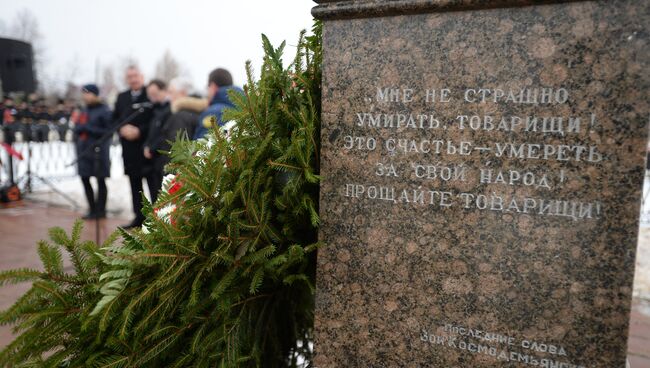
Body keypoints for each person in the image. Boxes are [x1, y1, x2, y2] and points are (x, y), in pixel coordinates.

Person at [113, 65, 155, 228]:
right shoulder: (122, 97)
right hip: (129, 150)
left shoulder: (149, 94)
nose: (133, 79)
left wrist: (139, 131)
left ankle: (156, 219)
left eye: (136, 76)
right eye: (130, 76)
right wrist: (121, 129)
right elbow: (115, 118)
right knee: (135, 185)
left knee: (153, 186)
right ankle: (139, 217)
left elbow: (154, 119)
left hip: (146, 148)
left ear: (142, 77)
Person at [145, 77, 202, 177]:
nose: (169, 96)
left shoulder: (180, 117)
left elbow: (177, 150)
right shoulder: (193, 112)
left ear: (183, 93)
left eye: (171, 92)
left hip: (177, 176)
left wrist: (170, 175)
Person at [74, 84, 112, 219]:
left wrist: (88, 128)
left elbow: (109, 131)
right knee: (85, 179)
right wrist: (79, 128)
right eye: (84, 93)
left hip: (98, 152)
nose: (85, 96)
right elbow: (78, 126)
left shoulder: (104, 110)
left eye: (88, 93)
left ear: (95, 95)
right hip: (84, 151)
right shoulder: (84, 110)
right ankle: (92, 209)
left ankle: (101, 210)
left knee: (100, 180)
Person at [193, 68, 242, 140]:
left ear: (213, 86)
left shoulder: (214, 112)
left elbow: (201, 145)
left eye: (208, 87)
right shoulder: (244, 106)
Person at [143, 79, 171, 196]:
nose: (152, 97)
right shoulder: (154, 109)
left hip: (163, 156)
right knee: (153, 193)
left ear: (164, 91)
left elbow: (165, 134)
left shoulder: (170, 109)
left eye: (154, 94)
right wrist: (146, 145)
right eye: (150, 95)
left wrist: (151, 148)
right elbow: (151, 132)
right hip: (152, 158)